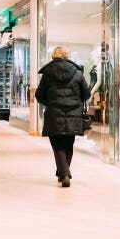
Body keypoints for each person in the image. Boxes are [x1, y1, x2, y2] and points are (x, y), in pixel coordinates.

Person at [35, 46, 92, 188]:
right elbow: (86, 94)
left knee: (57, 145)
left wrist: (50, 102)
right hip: (73, 114)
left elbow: (39, 95)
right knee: (68, 144)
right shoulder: (77, 73)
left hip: (54, 114)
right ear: (67, 56)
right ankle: (63, 172)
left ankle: (65, 173)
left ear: (53, 56)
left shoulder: (47, 74)